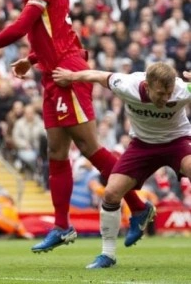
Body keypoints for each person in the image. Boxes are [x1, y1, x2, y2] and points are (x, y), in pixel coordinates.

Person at [0, 0, 151, 253]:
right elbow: (58, 34)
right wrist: (31, 59)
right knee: (56, 152)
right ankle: (62, 226)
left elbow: (21, 27)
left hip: (68, 76)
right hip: (53, 75)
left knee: (89, 147)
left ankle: (138, 206)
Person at [52, 62, 191, 268]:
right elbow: (98, 75)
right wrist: (71, 76)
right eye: (161, 93)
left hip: (177, 142)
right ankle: (107, 255)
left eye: (169, 94)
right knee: (111, 194)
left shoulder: (183, 89)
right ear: (147, 85)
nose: (165, 99)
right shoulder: (127, 85)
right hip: (142, 145)